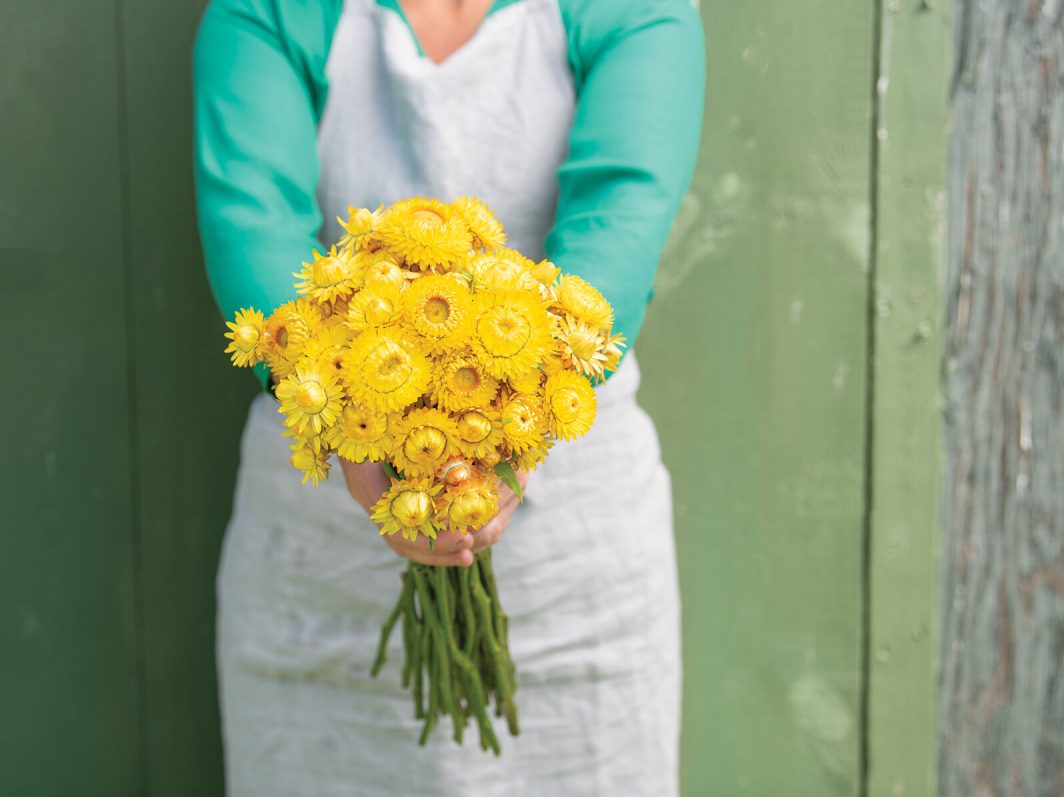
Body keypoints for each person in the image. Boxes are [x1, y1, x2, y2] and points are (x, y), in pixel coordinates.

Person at [192, 0, 705, 793]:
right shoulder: (266, 13)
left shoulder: (634, 11)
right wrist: (360, 434)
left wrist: (505, 433)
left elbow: (619, 223)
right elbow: (250, 220)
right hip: (320, 544)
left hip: (573, 560)